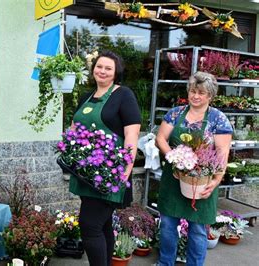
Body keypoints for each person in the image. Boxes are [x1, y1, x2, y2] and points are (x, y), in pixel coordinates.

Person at [70, 50, 141, 266]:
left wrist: (125, 172)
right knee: (102, 225)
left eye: (108, 68)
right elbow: (75, 128)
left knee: (89, 225)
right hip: (86, 173)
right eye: (99, 66)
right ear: (93, 70)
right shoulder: (86, 96)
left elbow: (131, 135)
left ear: (115, 72)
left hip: (111, 173)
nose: (102, 71)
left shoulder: (124, 95)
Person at [155, 71, 232, 265]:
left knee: (198, 230)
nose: (195, 96)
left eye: (201, 92)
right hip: (173, 179)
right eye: (192, 91)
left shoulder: (218, 119)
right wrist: (173, 156)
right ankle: (166, 263)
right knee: (167, 225)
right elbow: (161, 138)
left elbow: (222, 152)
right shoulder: (175, 113)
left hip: (202, 182)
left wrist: (214, 182)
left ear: (210, 96)